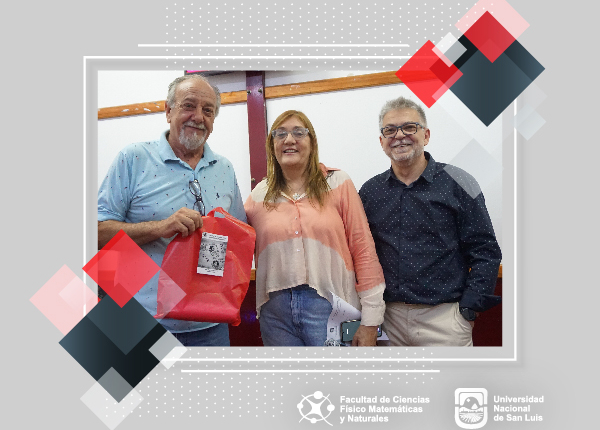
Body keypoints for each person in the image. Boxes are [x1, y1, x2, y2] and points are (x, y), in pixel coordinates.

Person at [97, 74, 246, 346]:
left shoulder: (224, 168)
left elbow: (235, 241)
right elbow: (97, 232)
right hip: (139, 322)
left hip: (211, 326)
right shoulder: (133, 158)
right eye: (188, 106)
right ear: (168, 111)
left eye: (208, 110)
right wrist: (160, 227)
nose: (198, 117)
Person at [359, 96, 502, 347]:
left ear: (426, 135)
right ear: (381, 142)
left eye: (409, 127)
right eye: (390, 130)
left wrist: (469, 310)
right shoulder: (370, 192)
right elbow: (362, 254)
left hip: (445, 321)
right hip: (388, 321)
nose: (399, 135)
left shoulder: (460, 182)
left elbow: (485, 251)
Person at [244, 110, 385, 347]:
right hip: (275, 315)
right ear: (272, 145)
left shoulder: (338, 182)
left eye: (299, 133)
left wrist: (372, 319)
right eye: (280, 134)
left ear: (312, 142)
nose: (289, 140)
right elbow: (236, 243)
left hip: (331, 308)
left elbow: (363, 249)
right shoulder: (259, 195)